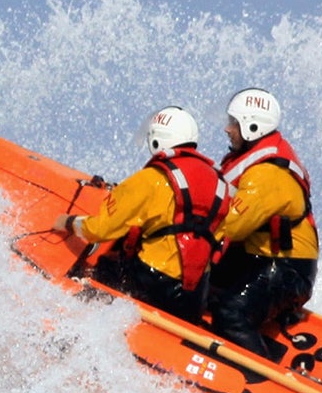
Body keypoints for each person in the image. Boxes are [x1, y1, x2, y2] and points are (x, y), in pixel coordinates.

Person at [53, 106, 224, 320]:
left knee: (102, 267)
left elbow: (100, 230)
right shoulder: (220, 184)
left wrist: (68, 222)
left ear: (157, 140)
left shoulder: (151, 179)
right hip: (194, 297)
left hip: (154, 284)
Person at [205, 88, 319, 355]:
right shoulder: (253, 161)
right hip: (257, 256)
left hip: (286, 269)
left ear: (251, 127)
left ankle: (258, 378)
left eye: (234, 123)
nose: (227, 129)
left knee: (230, 313)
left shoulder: (267, 174)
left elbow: (233, 225)